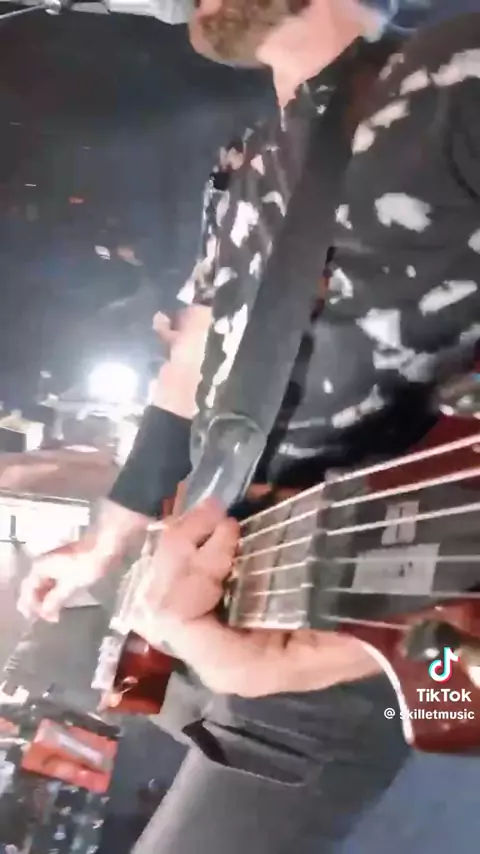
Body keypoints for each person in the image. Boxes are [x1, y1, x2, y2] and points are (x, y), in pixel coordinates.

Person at [18, 1, 480, 852]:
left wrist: (302, 662)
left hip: (383, 661)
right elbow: (192, 369)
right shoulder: (251, 155)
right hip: (227, 623)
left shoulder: (462, 73)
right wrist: (106, 541)